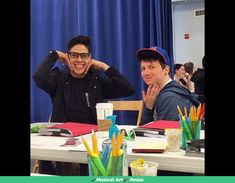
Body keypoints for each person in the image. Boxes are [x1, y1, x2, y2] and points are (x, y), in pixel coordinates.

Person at [33, 35, 135, 175]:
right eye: (74, 55)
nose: (79, 60)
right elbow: (39, 77)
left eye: (84, 56)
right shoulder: (59, 79)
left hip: (92, 144)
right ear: (68, 57)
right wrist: (55, 55)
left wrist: (103, 66)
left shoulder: (96, 79)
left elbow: (128, 89)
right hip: (63, 143)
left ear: (90, 58)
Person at [136, 47, 199, 124]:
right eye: (143, 68)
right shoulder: (160, 95)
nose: (145, 73)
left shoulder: (170, 98)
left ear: (166, 70)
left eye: (151, 67)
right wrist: (149, 108)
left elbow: (166, 135)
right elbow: (146, 131)